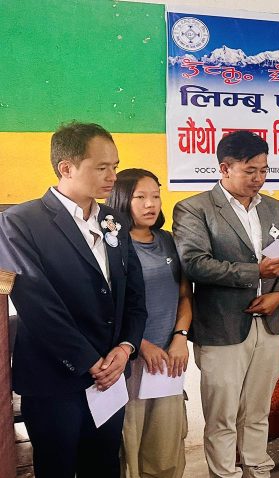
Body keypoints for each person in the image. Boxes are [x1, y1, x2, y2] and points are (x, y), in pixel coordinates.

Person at [0, 122, 146, 477]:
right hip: (55, 378)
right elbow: (38, 304)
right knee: (58, 468)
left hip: (110, 374)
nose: (113, 176)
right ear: (66, 167)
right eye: (102, 167)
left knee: (104, 465)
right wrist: (89, 361)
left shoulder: (113, 220)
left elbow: (133, 293)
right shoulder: (21, 222)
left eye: (115, 166)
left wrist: (125, 347)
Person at [173, 131, 279, 478]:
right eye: (250, 171)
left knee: (258, 410)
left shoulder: (274, 208)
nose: (259, 178)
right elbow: (195, 263)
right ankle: (225, 474)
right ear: (225, 168)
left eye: (264, 170)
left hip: (270, 323)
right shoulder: (194, 209)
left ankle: (258, 469)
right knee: (222, 415)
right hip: (222, 326)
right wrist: (255, 271)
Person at [108, 169, 192, 478]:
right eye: (140, 197)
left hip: (168, 361)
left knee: (165, 448)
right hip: (128, 361)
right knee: (127, 446)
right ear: (121, 199)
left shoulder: (168, 240)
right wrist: (140, 344)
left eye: (156, 196)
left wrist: (180, 337)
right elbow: (109, 308)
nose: (150, 204)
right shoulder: (112, 244)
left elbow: (184, 294)